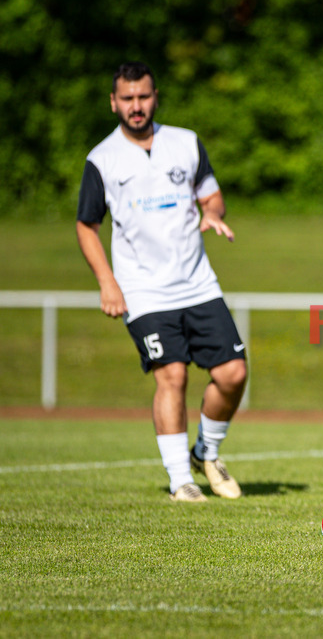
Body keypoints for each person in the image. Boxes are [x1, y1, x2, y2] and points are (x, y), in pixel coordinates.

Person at [76, 61, 247, 503]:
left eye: (144, 96)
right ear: (114, 102)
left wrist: (212, 213)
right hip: (143, 290)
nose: (137, 106)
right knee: (171, 375)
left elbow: (211, 195)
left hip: (197, 283)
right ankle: (180, 481)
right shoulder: (102, 159)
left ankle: (205, 452)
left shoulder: (186, 143)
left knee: (233, 374)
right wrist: (108, 283)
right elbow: (86, 226)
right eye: (128, 98)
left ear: (155, 97)